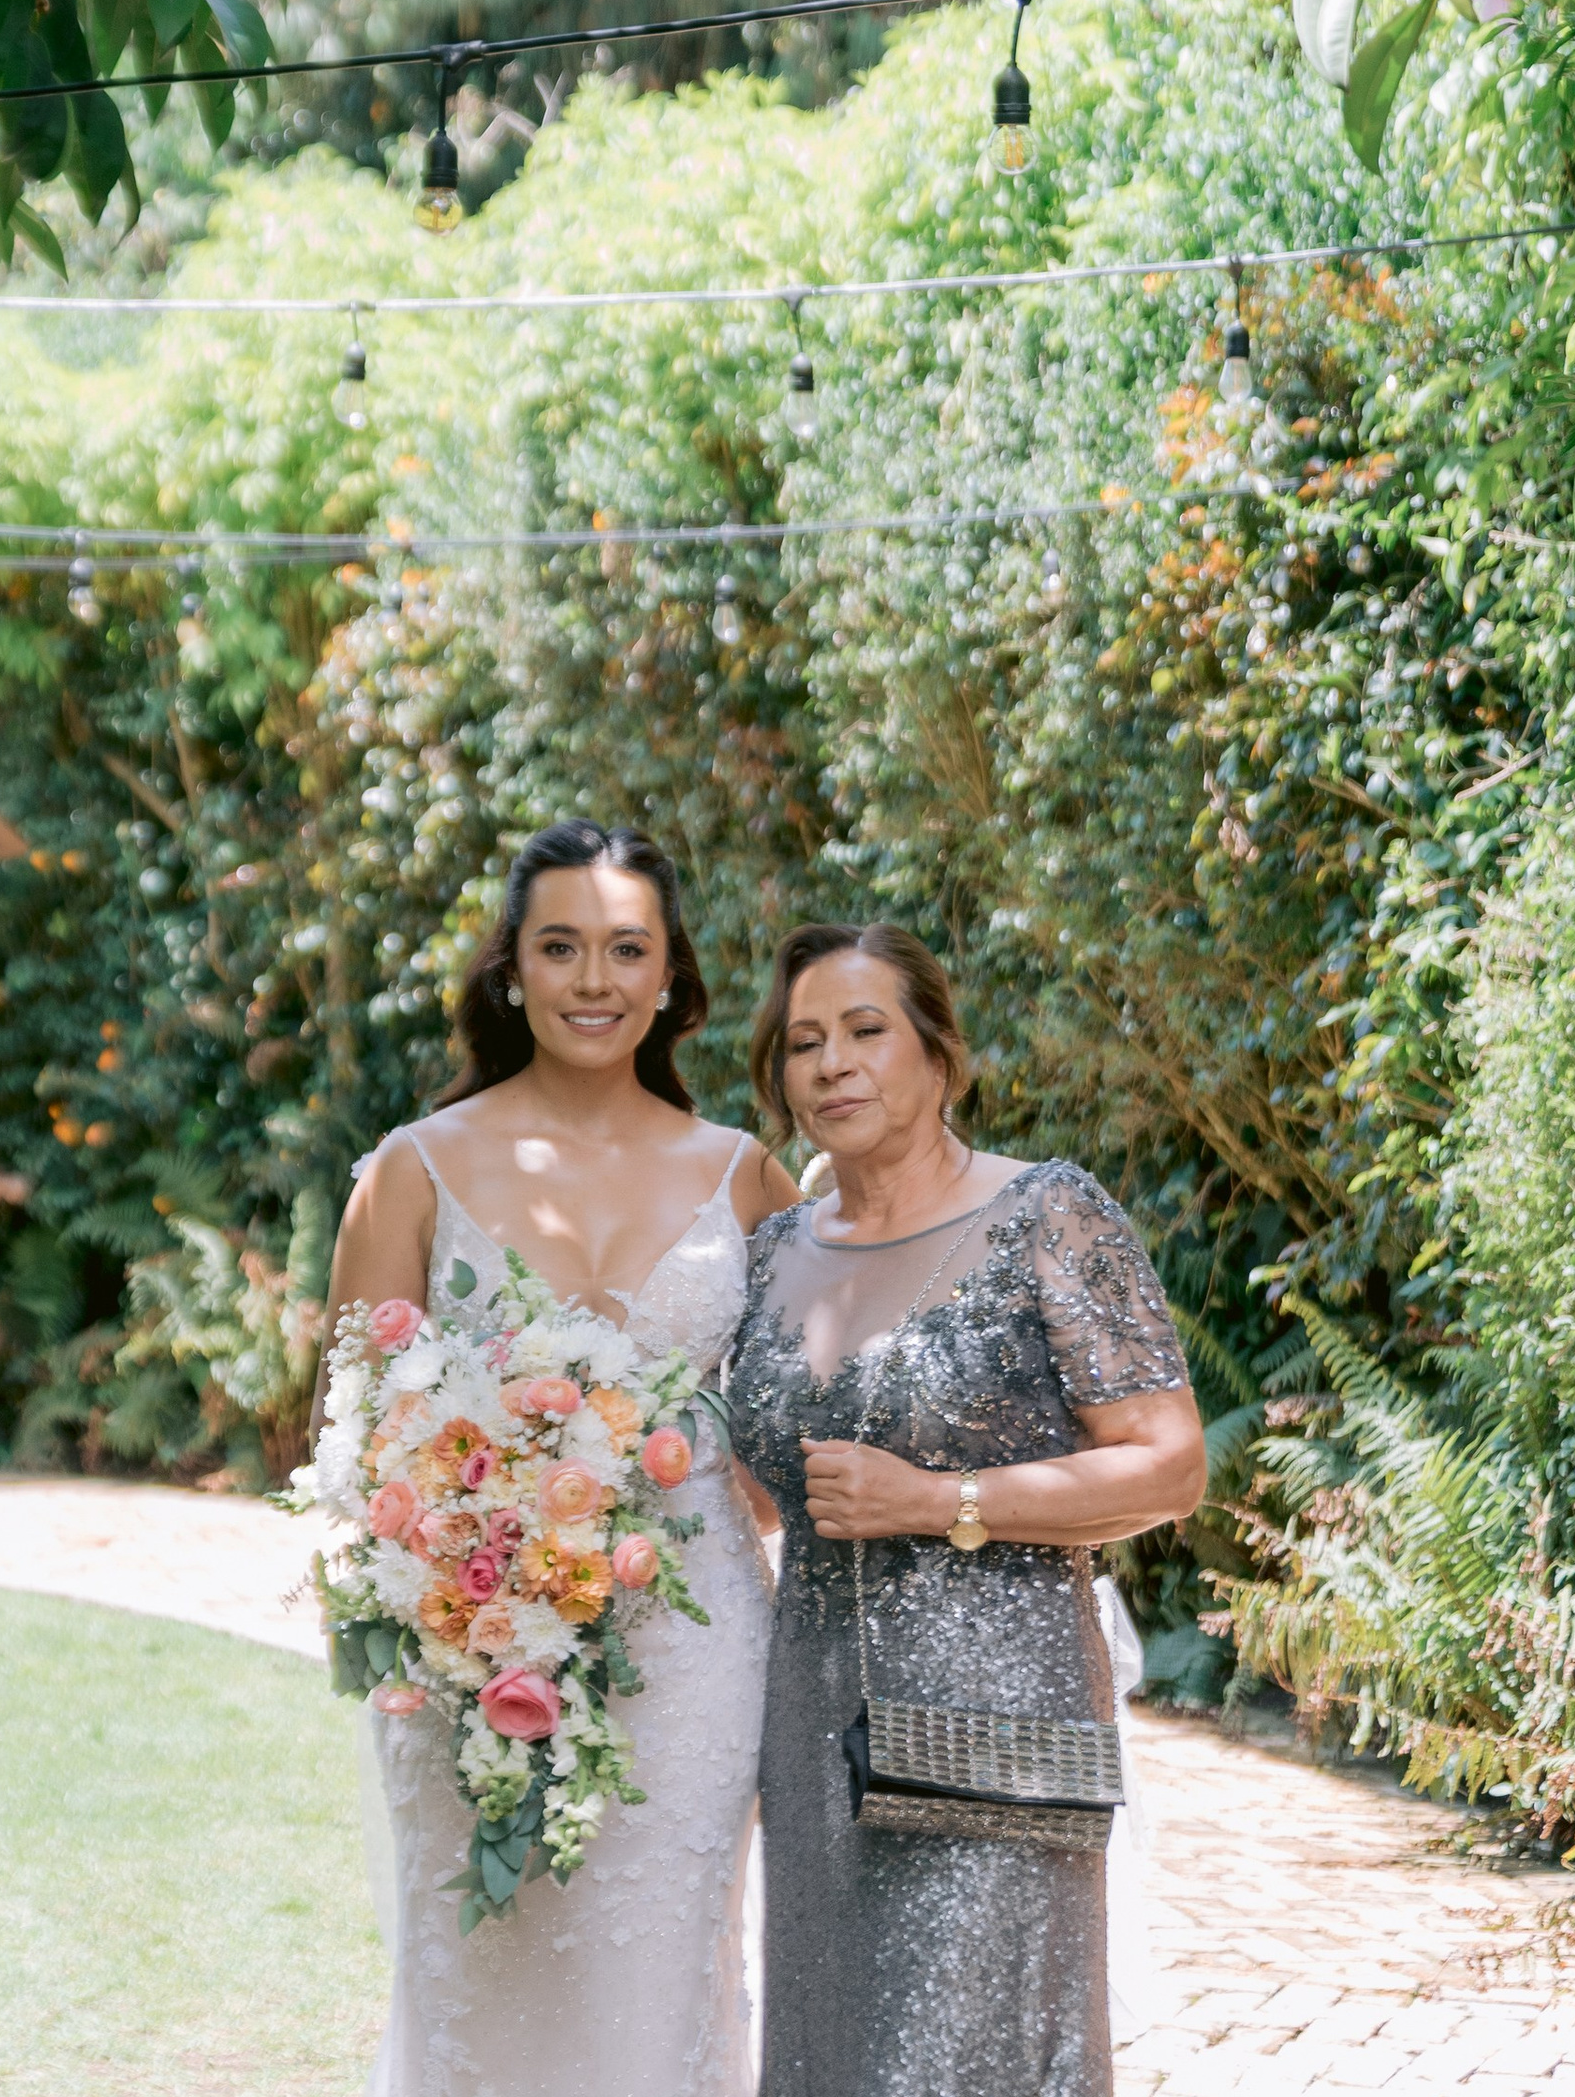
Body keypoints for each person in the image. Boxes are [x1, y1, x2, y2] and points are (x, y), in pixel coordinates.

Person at [327, 818, 797, 2097]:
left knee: (670, 1974)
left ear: (668, 977)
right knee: (485, 1970)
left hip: (694, 1655)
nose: (594, 979)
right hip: (472, 1647)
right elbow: (357, 1438)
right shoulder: (411, 1172)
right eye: (561, 947)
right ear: (512, 972)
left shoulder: (749, 1178)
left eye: (625, 949)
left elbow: (788, 1438)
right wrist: (464, 1591)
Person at [724, 921, 1207, 2097]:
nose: (831, 1062)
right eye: (801, 1042)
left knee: (968, 2049)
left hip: (995, 1722)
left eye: (864, 1029)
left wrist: (939, 1500)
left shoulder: (1047, 1214)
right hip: (812, 1723)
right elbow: (750, 1485)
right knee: (833, 2046)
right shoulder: (775, 1248)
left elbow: (1167, 1463)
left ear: (940, 1056)